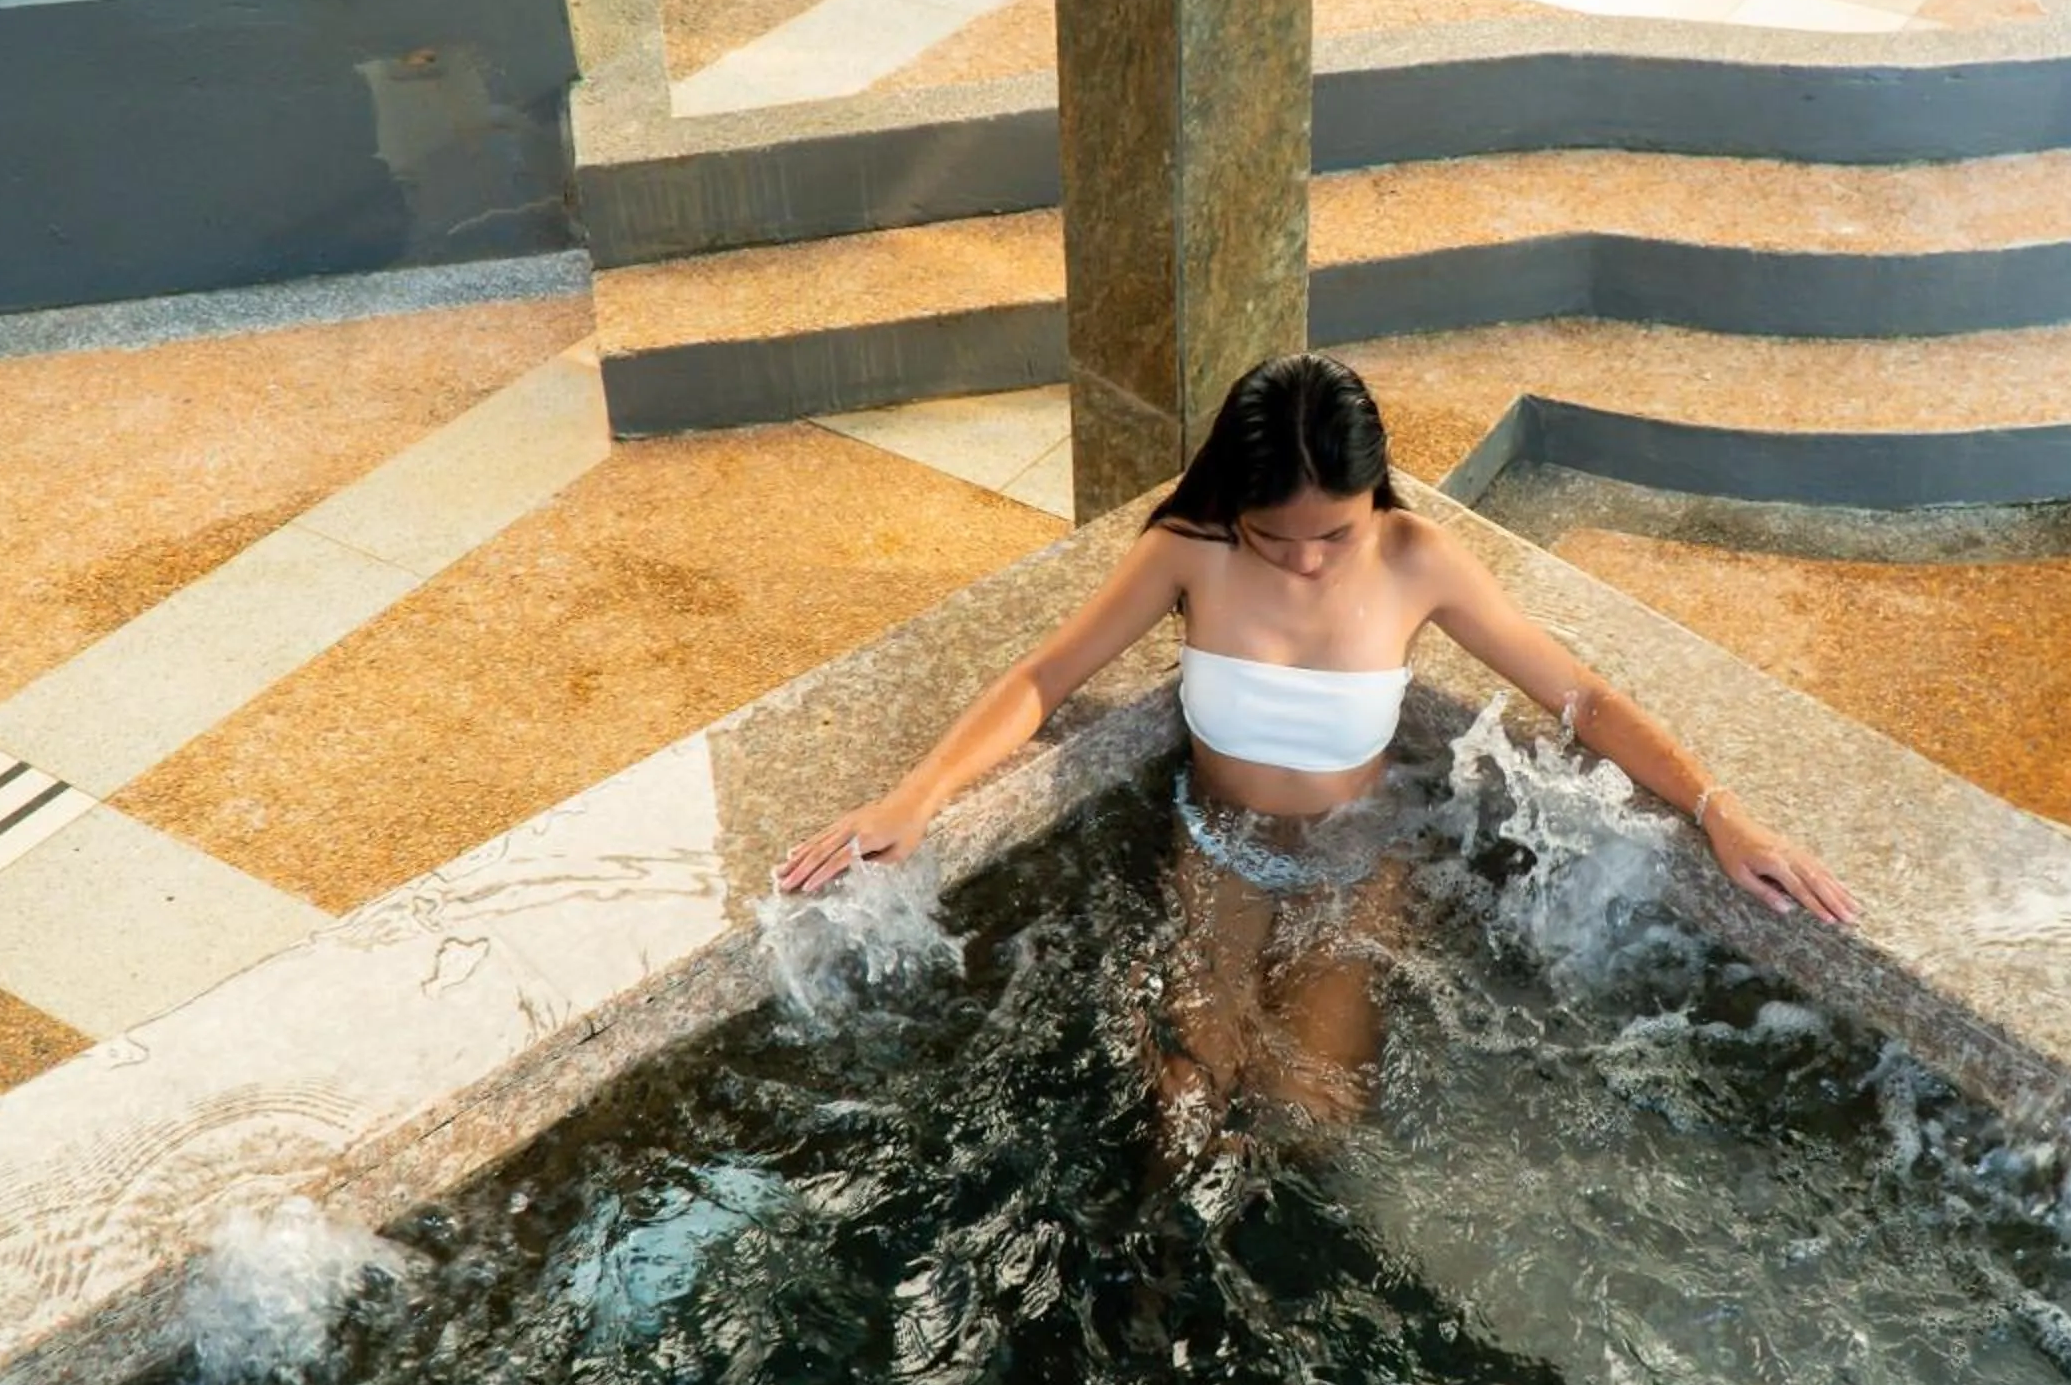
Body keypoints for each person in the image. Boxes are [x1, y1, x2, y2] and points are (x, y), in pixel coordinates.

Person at [777, 353, 1859, 1150]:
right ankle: (1165, 1317)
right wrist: (914, 794)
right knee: (1185, 1109)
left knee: (1310, 1115)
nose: (1300, 562)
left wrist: (1721, 811)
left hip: (1353, 865)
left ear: (1374, 497)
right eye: (1270, 535)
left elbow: (1580, 694)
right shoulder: (1186, 552)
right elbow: (1039, 680)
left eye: (1330, 534)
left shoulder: (1418, 560)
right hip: (1217, 848)